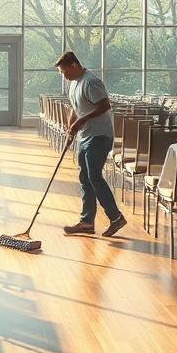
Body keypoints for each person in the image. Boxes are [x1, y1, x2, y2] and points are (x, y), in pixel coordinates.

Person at [55, 51, 126, 237]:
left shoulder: (91, 81)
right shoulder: (74, 84)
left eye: (64, 72)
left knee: (94, 176)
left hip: (99, 136)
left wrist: (80, 122)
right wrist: (71, 125)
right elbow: (75, 108)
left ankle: (116, 217)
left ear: (74, 65)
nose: (64, 76)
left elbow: (104, 106)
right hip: (85, 136)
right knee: (85, 178)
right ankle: (87, 221)